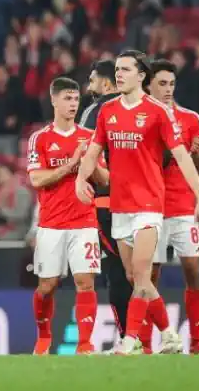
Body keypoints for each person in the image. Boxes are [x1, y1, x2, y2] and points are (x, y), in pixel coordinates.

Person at [72, 50, 199, 356]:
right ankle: (170, 334)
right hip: (120, 206)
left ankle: (130, 339)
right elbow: (94, 150)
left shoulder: (159, 112)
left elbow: (183, 158)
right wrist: (81, 179)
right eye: (117, 69)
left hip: (149, 206)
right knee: (136, 278)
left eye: (125, 70)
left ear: (141, 76)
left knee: (143, 273)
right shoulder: (108, 111)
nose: (118, 74)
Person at [27, 77, 103, 356]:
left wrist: (90, 165)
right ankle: (44, 336)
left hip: (84, 221)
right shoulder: (41, 138)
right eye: (67, 99)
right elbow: (37, 179)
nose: (73, 104)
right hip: (51, 223)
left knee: (86, 282)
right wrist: (71, 165)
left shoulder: (91, 137)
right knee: (47, 286)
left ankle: (84, 345)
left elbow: (105, 178)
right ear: (54, 100)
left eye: (75, 99)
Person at [145, 59, 199, 354]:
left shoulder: (190, 119)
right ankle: (145, 343)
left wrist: (197, 154)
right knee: (150, 276)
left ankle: (197, 341)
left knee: (193, 270)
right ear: (148, 85)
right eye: (162, 83)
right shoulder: (143, 118)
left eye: (171, 84)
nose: (168, 89)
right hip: (152, 206)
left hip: (183, 205)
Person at [76, 58, 135, 350]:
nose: (89, 87)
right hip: (143, 201)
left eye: (93, 80)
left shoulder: (95, 112)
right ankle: (145, 337)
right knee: (143, 270)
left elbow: (86, 156)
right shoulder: (141, 107)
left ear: (107, 83)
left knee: (117, 272)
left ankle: (129, 337)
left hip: (108, 201)